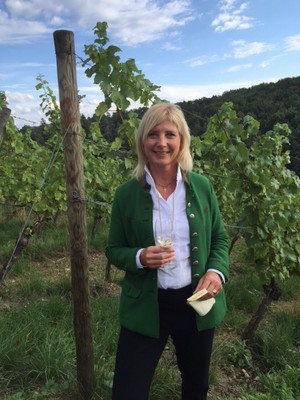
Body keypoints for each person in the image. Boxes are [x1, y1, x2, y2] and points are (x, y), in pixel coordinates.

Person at [105, 103, 229, 400]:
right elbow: (113, 249)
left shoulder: (201, 187)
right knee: (127, 391)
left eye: (170, 134)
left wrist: (216, 272)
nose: (162, 143)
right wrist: (139, 257)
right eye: (153, 134)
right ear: (142, 141)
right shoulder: (126, 194)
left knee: (196, 386)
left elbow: (220, 238)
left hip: (194, 302)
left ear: (182, 140)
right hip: (147, 305)